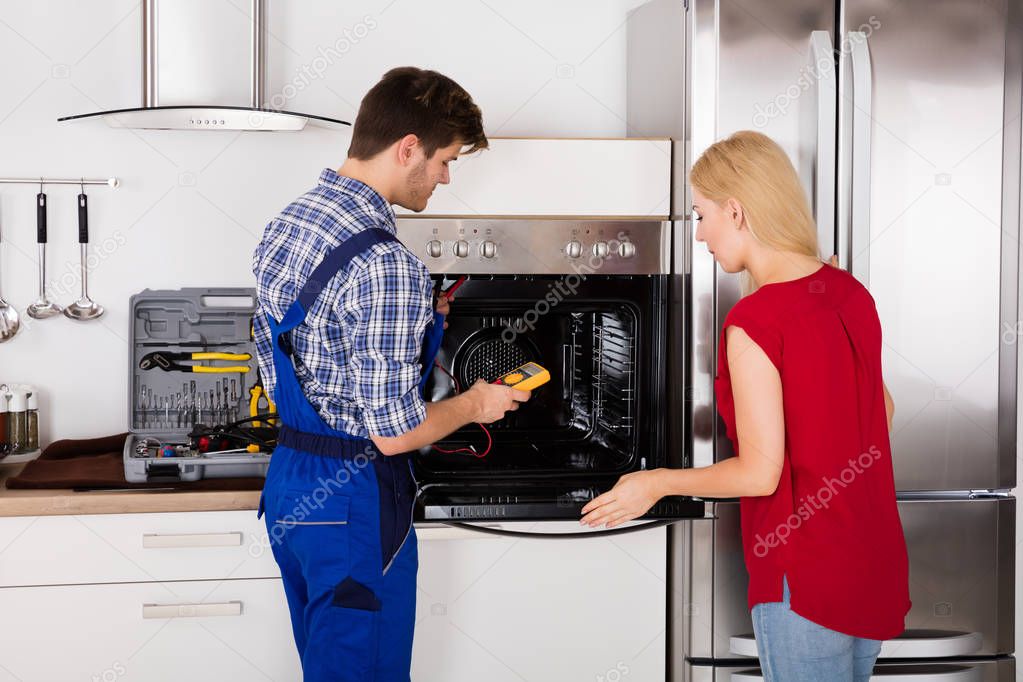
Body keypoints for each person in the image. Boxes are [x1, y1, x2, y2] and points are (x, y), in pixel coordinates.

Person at [580, 130, 910, 681]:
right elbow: (883, 415)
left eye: (702, 215)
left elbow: (760, 474)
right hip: (870, 561)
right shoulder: (850, 294)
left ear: (736, 210)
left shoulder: (755, 321)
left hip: (804, 576)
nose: (702, 234)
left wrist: (656, 482)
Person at [252, 66, 531, 682]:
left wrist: (417, 322)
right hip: (353, 504)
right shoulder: (387, 264)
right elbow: (396, 433)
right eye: (445, 160)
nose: (446, 177)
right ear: (408, 147)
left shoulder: (290, 222)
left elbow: (301, 350)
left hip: (292, 489)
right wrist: (476, 405)